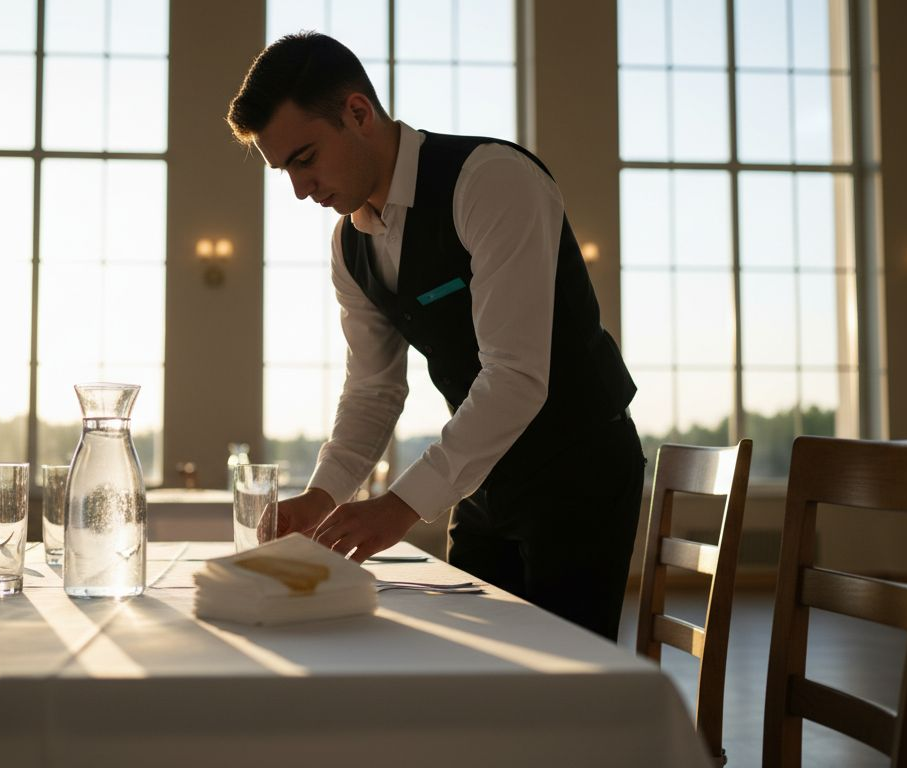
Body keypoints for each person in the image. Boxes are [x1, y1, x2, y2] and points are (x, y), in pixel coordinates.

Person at [226, 32, 644, 640]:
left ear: (358, 113)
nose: (298, 189)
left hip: (578, 473)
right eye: (283, 170)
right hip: (482, 480)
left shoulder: (491, 181)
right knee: (469, 664)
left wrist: (397, 507)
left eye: (305, 158)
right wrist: (323, 496)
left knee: (563, 688)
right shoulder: (349, 245)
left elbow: (517, 375)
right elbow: (373, 390)